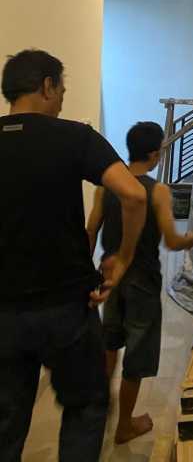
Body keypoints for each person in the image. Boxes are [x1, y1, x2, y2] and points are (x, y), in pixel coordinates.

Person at [0, 49, 147, 462]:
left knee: (6, 421)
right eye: (61, 91)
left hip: (3, 312)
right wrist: (122, 258)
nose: (62, 101)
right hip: (66, 308)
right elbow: (134, 195)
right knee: (85, 409)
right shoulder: (75, 137)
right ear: (47, 86)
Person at [86, 121, 193, 445]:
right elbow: (172, 241)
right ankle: (124, 426)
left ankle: (99, 411)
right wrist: (192, 239)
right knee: (136, 356)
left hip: (110, 279)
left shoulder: (105, 187)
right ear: (153, 154)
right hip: (143, 281)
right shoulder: (157, 191)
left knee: (110, 343)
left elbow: (90, 230)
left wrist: (86, 273)